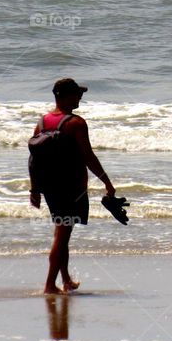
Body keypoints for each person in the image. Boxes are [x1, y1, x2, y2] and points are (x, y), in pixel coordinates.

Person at [32, 78, 116, 295]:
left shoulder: (42, 122)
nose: (80, 97)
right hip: (71, 187)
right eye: (77, 94)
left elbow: (34, 160)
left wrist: (35, 189)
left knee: (62, 232)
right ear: (64, 96)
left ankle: (66, 280)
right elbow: (88, 156)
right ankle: (50, 285)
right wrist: (106, 181)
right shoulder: (76, 123)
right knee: (62, 234)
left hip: (50, 186)